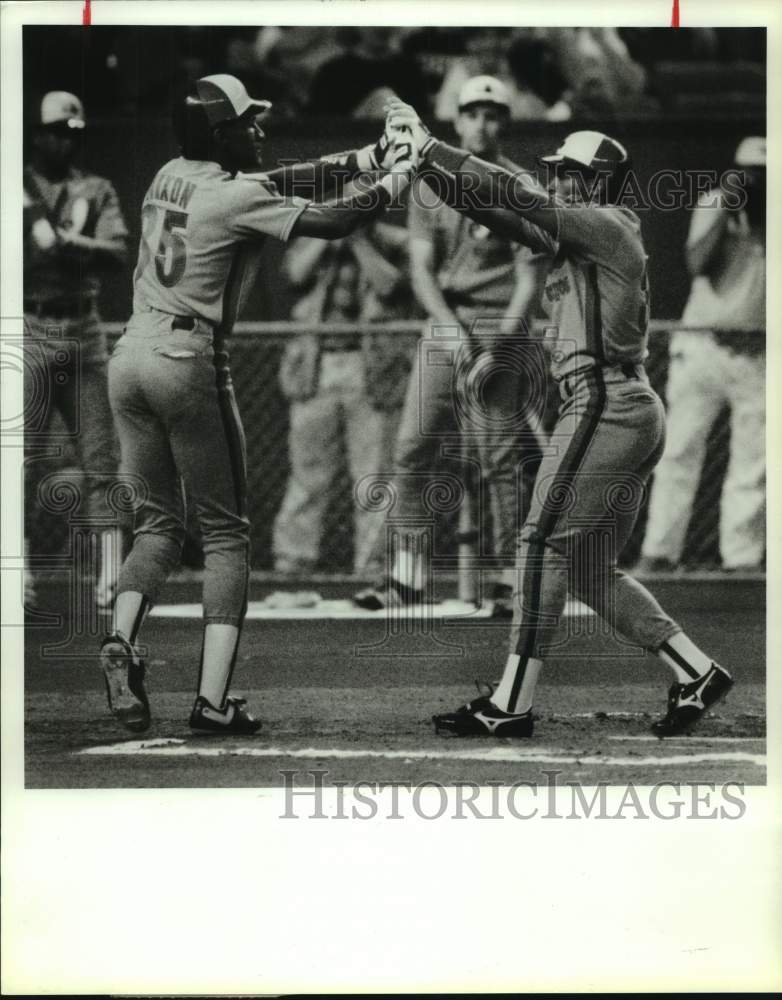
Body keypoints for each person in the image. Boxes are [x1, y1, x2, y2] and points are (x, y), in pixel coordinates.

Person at [386, 98, 734, 737]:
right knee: (588, 567)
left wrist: (431, 147)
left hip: (607, 402)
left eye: (569, 171)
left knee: (539, 542)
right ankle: (697, 671)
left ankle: (510, 703)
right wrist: (427, 172)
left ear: (596, 179)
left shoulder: (607, 223)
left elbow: (510, 194)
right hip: (615, 404)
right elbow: (491, 206)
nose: (557, 179)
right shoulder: (580, 231)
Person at [100, 73, 417, 735]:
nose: (260, 129)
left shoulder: (168, 173)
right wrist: (396, 180)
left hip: (128, 357)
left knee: (157, 527)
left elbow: (282, 179)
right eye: (249, 121)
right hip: (187, 362)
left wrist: (366, 157)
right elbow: (332, 219)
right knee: (226, 536)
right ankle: (213, 701)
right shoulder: (233, 194)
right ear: (221, 132)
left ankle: (122, 639)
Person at [355, 77, 550, 617]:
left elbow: (529, 283)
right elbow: (420, 272)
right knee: (413, 449)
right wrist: (450, 330)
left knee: (500, 458)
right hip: (446, 324)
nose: (481, 123)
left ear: (503, 122)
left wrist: (495, 347)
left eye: (492, 114)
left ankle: (513, 581)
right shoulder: (429, 183)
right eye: (472, 113)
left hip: (501, 328)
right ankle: (405, 578)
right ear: (457, 121)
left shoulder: (519, 184)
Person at [639, 137, 766, 573]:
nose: (759, 182)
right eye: (751, 173)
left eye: (766, 175)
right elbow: (697, 263)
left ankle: (742, 559)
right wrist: (731, 210)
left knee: (755, 461)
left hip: (760, 352)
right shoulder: (715, 203)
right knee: (677, 450)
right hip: (703, 344)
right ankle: (659, 551)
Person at [23, 91, 129, 613]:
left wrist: (69, 244)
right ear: (37, 134)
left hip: (83, 324)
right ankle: (15, 572)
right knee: (18, 461)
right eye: (56, 131)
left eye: (73, 132)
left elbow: (116, 251)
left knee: (103, 459)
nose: (64, 140)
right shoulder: (16, 186)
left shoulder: (96, 187)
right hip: (28, 320)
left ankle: (111, 578)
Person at [272, 221, 413, 576]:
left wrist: (359, 240)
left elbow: (392, 285)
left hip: (372, 370)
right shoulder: (314, 236)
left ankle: (373, 564)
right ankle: (293, 561)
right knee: (306, 475)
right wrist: (331, 236)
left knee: (374, 476)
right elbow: (294, 275)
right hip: (315, 368)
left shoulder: (396, 241)